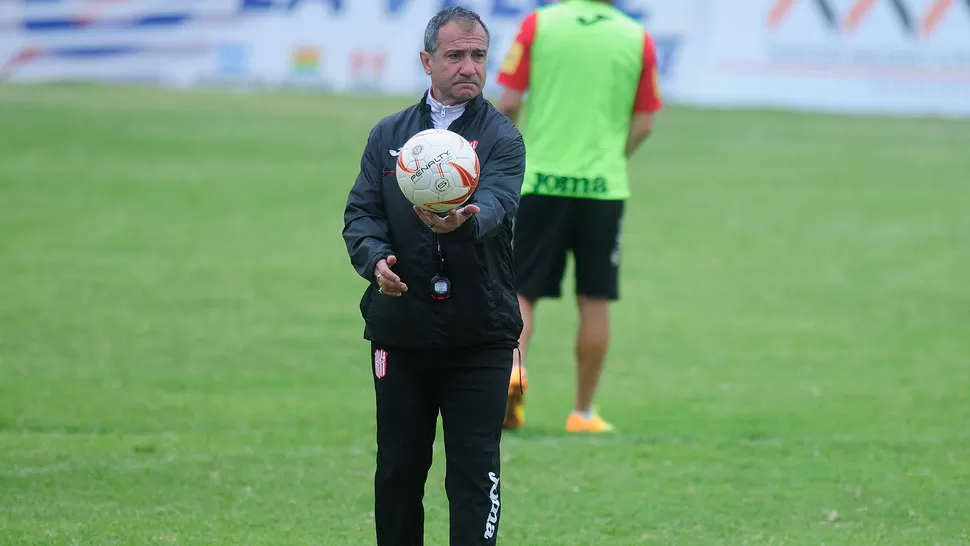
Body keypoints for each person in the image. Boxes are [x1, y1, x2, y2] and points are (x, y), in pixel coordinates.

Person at [342, 6, 526, 545]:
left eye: (478, 56)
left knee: (474, 475)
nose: (469, 67)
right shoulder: (389, 134)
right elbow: (362, 214)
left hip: (480, 335)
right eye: (455, 56)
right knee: (399, 472)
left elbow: (497, 202)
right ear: (427, 61)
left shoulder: (501, 138)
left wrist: (462, 222)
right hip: (402, 331)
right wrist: (375, 260)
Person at [494, 0, 663, 433]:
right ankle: (582, 412)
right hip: (601, 189)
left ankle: (513, 372)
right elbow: (645, 123)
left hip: (541, 181)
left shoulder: (539, 25)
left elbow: (509, 101)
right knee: (594, 298)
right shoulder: (636, 37)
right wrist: (611, 160)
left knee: (522, 291)